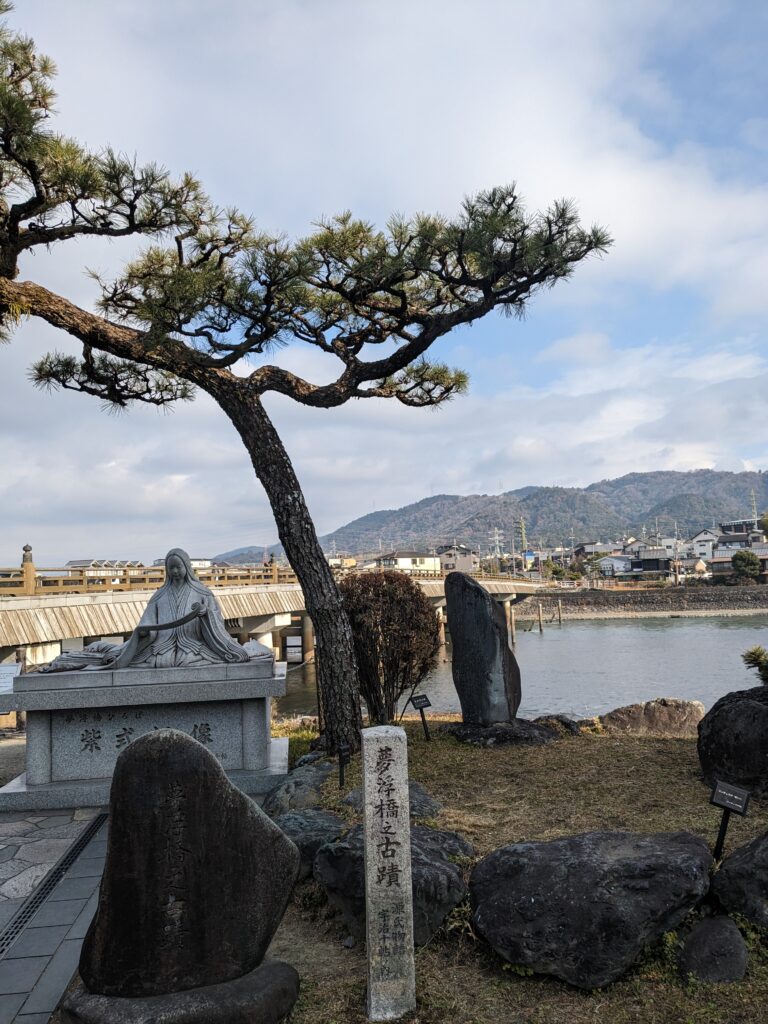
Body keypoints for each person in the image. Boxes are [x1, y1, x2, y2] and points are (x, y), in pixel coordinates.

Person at [43, 548, 271, 672]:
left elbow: (217, 627)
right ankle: (75, 657)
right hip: (159, 648)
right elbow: (148, 625)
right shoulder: (159, 596)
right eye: (170, 568)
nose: (174, 572)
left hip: (194, 647)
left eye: (178, 567)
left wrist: (205, 616)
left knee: (202, 659)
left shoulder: (203, 593)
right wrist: (144, 633)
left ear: (187, 568)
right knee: (113, 655)